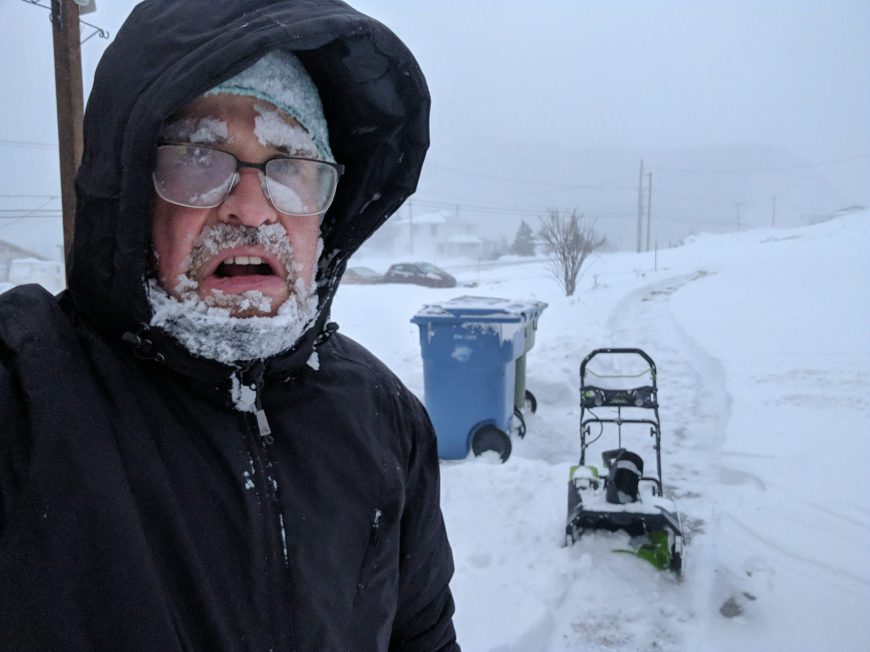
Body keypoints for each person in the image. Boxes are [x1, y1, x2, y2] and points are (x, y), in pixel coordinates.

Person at [0, 1, 459, 649]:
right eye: (198, 155)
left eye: (292, 166)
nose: (252, 208)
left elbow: (422, 634)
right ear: (132, 186)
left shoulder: (385, 418)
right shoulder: (29, 398)